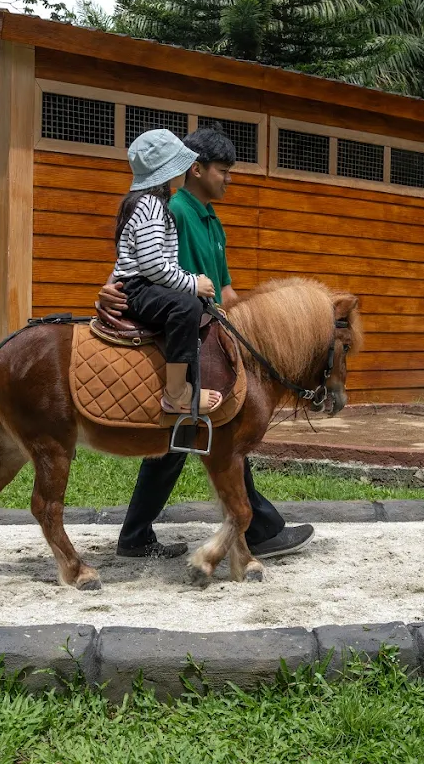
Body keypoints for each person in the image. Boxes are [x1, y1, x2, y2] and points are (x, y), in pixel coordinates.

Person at [100, 124, 315, 561]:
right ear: (195, 170)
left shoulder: (210, 219)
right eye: (223, 170)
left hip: (207, 325)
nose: (228, 178)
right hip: (190, 328)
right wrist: (113, 287)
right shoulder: (172, 209)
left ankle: (137, 533)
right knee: (219, 427)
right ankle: (260, 528)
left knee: (187, 437)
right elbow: (150, 268)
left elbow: (228, 294)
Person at [111, 128, 223, 415]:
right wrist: (192, 284)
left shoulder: (146, 204)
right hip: (139, 287)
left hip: (142, 284)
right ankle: (176, 393)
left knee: (193, 305)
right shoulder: (151, 206)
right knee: (185, 305)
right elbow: (153, 266)